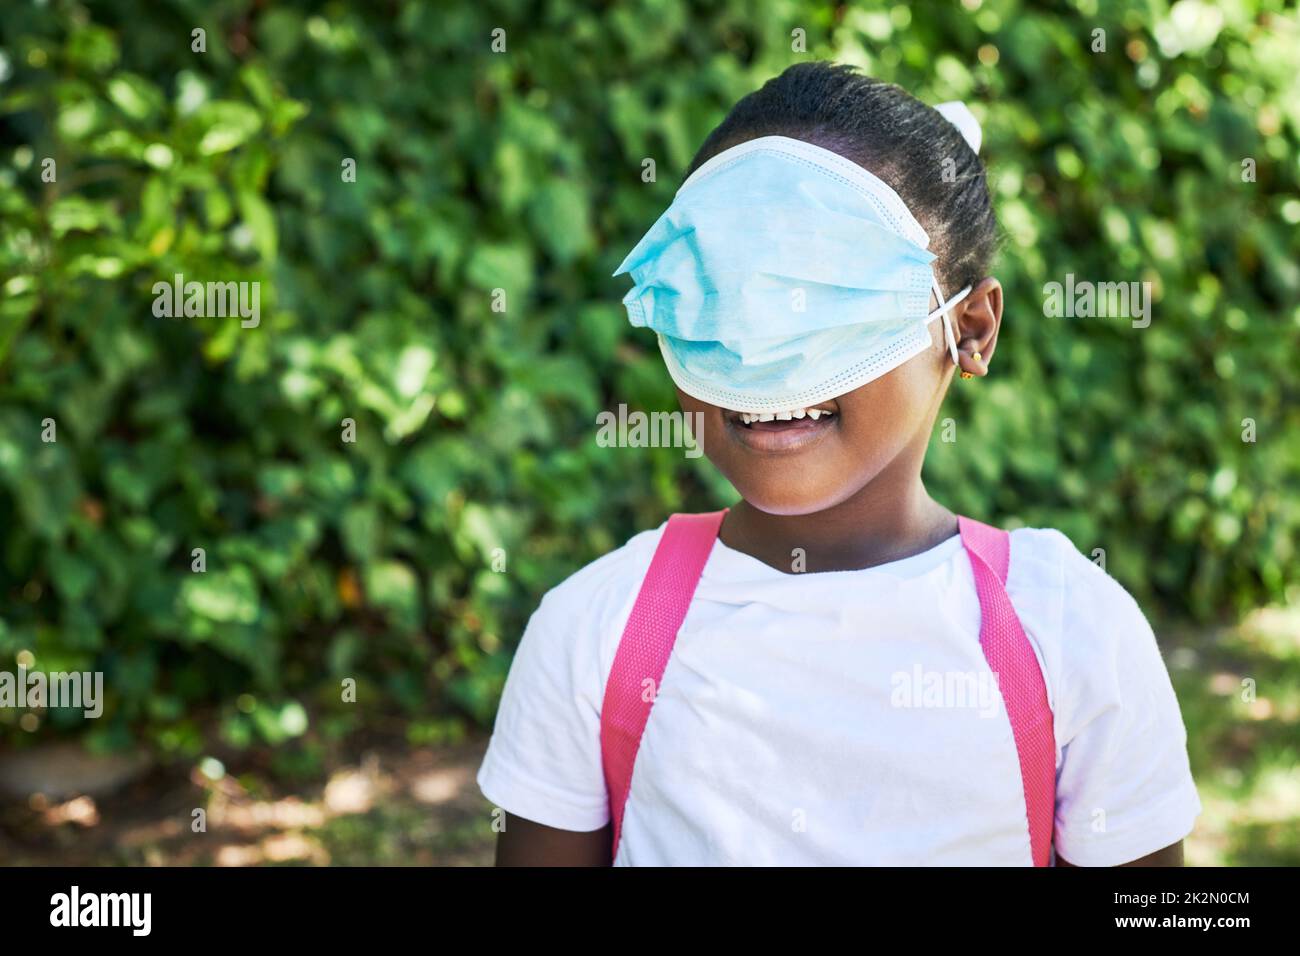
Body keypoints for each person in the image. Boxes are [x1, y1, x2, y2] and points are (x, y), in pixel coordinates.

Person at [476, 62, 1201, 866]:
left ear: (970, 330)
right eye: (722, 291)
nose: (759, 347)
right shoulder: (595, 632)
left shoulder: (1068, 633)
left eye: (827, 293)